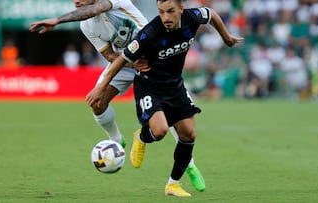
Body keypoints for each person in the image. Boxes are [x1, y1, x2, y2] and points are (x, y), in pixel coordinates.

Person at [29, 0, 206, 192]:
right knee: (97, 102)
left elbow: (94, 9)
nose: (77, 1)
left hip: (154, 60)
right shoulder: (86, 26)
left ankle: (190, 166)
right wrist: (132, 64)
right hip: (125, 63)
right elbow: (110, 55)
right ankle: (116, 140)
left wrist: (57, 20)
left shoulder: (115, 1)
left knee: (175, 118)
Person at [85, 0, 243, 197]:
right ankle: (141, 137)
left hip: (175, 84)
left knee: (189, 134)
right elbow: (121, 59)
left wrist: (226, 37)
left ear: (181, 10)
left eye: (170, 12)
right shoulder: (150, 32)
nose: (166, 17)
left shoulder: (193, 17)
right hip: (149, 84)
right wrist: (101, 88)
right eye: (161, 12)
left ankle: (173, 184)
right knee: (159, 131)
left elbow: (211, 14)